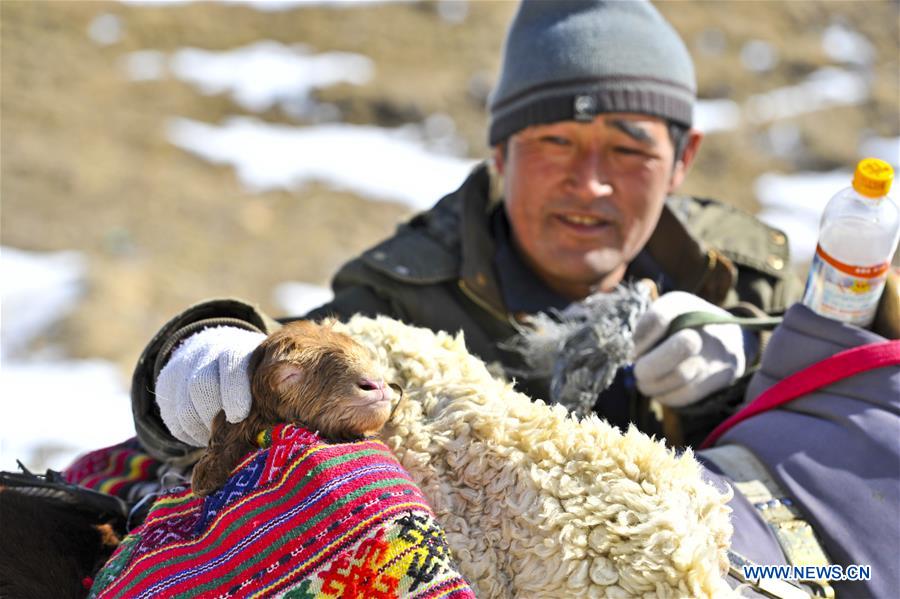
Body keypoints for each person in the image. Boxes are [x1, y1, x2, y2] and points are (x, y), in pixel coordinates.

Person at [132, 0, 802, 464]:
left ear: (683, 159)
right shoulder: (407, 290)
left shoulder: (753, 274)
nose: (590, 181)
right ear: (501, 154)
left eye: (628, 150)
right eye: (555, 141)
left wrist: (758, 360)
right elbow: (287, 367)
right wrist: (210, 357)